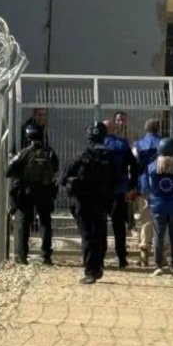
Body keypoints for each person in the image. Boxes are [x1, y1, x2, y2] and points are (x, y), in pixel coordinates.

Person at [61, 121, 116, 284]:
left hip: (83, 201)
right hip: (102, 200)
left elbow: (63, 178)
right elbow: (117, 179)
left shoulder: (81, 156)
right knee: (100, 233)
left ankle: (90, 271)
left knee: (88, 236)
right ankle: (98, 266)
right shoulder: (110, 157)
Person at [5, 122, 59, 266]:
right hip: (45, 191)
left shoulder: (24, 153)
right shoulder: (49, 152)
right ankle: (46, 256)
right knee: (45, 223)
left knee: (23, 223)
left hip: (26, 192)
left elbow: (8, 172)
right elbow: (56, 168)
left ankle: (22, 256)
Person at [140, 137, 173, 277]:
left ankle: (158, 265)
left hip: (158, 205)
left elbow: (145, 187)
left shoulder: (152, 166)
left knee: (158, 235)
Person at [103, 114, 139, 268]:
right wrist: (131, 184)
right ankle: (122, 258)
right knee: (119, 226)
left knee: (100, 225)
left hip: (101, 191)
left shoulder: (98, 145)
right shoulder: (122, 144)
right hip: (120, 190)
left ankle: (100, 256)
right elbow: (134, 165)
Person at [132, 118, 162, 266]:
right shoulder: (165, 144)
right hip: (163, 185)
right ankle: (162, 254)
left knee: (145, 219)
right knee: (162, 219)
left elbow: (133, 165)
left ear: (145, 128)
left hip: (144, 183)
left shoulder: (138, 145)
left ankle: (144, 254)